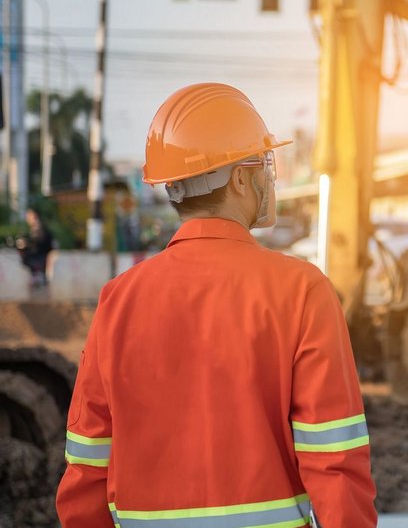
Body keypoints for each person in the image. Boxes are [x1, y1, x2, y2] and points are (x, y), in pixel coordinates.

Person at [56, 83, 377, 528]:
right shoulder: (301, 291)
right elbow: (334, 463)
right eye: (264, 163)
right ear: (241, 177)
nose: (270, 177)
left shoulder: (118, 299)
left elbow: (87, 467)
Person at [17, 207, 53, 285]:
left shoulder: (38, 227)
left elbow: (39, 242)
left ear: (34, 216)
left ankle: (38, 274)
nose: (27, 218)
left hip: (41, 257)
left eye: (29, 216)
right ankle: (37, 275)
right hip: (41, 256)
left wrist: (26, 243)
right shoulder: (36, 227)